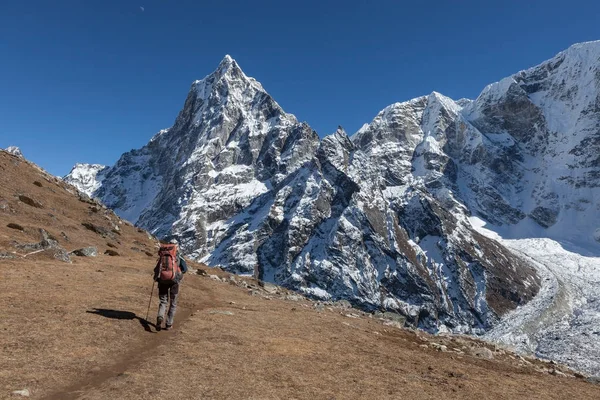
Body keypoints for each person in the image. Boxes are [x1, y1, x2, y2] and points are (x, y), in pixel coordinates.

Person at [153, 239, 188, 331]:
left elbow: (156, 268)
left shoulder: (163, 254)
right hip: (174, 282)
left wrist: (156, 277)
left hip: (162, 280)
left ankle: (160, 316)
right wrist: (178, 271)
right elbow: (185, 269)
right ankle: (169, 324)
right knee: (173, 303)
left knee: (163, 301)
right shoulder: (178, 255)